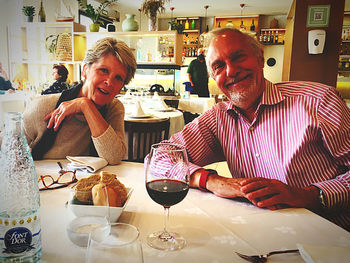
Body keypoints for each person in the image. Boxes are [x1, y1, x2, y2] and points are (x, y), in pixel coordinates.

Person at [156, 28, 350, 231]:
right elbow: (160, 157)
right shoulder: (218, 118)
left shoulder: (318, 102)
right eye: (219, 66)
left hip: (328, 237)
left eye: (238, 57)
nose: (230, 71)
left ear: (260, 58)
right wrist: (211, 180)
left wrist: (305, 195)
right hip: (259, 234)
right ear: (214, 76)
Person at [22, 37, 137, 165]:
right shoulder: (42, 107)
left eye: (118, 78)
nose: (109, 82)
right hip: (47, 182)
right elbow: (8, 152)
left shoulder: (114, 108)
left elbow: (114, 157)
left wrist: (85, 105)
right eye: (103, 70)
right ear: (85, 70)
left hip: (89, 183)